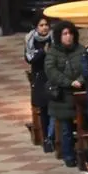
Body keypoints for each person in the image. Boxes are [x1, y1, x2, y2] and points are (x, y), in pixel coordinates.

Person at [45, 21, 85, 168]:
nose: (68, 37)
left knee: (84, 125)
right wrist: (68, 82)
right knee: (66, 129)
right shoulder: (53, 52)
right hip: (62, 96)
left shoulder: (81, 50)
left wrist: (80, 80)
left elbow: (86, 67)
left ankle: (84, 153)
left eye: (70, 34)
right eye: (65, 34)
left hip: (80, 94)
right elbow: (51, 71)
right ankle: (68, 155)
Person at [25, 16, 54, 153]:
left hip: (53, 77)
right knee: (44, 110)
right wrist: (43, 52)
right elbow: (30, 59)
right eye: (41, 25)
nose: (44, 27)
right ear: (36, 27)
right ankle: (47, 139)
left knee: (54, 108)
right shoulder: (31, 39)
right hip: (39, 78)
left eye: (46, 24)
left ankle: (52, 136)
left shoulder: (54, 38)